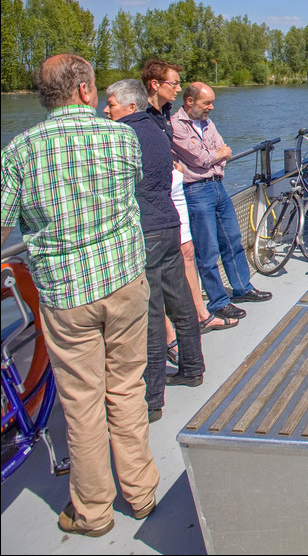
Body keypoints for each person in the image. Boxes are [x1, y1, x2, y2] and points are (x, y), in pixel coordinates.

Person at [0, 54, 159, 536]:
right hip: (123, 281)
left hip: (67, 295)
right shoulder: (120, 137)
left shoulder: (20, 151)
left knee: (82, 402)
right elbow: (129, 189)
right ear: (87, 91)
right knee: (127, 387)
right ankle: (142, 491)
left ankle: (93, 511)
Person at [104, 80, 205, 415]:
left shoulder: (123, 136)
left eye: (111, 104)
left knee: (150, 313)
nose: (106, 110)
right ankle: (193, 368)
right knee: (181, 301)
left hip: (145, 231)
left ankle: (152, 399)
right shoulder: (159, 132)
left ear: (131, 107)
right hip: (169, 225)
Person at [140, 61, 234, 335]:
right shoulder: (146, 116)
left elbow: (215, 151)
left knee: (189, 252)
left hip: (178, 188)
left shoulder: (165, 114)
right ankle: (170, 332)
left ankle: (200, 315)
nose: (178, 89)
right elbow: (202, 157)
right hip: (161, 195)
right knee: (167, 262)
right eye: (174, 83)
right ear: (155, 85)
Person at [170, 82, 271, 322]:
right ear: (190, 101)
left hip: (217, 186)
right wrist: (215, 157)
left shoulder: (208, 123)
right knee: (208, 250)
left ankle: (242, 287)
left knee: (232, 239)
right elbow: (201, 157)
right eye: (207, 103)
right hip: (195, 191)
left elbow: (223, 151)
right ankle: (219, 302)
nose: (212, 107)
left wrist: (215, 158)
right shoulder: (176, 126)